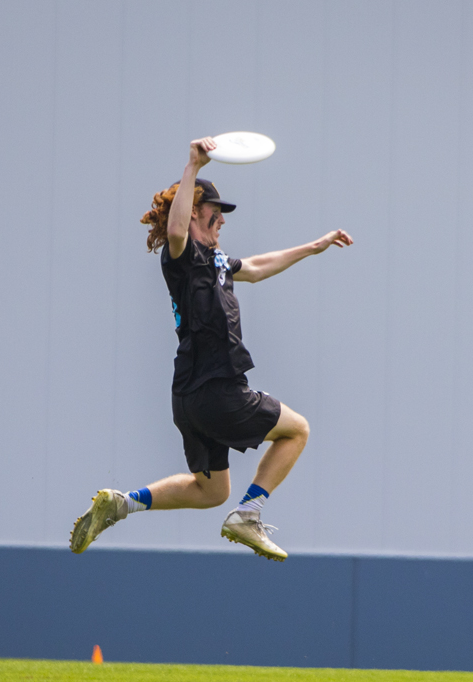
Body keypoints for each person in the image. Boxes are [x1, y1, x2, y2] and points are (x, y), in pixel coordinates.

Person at [69, 137, 353, 561]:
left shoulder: (217, 262)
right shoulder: (180, 256)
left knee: (210, 491)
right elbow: (177, 230)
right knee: (298, 430)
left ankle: (121, 503)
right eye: (214, 214)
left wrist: (313, 247)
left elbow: (256, 267)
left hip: (188, 398)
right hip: (218, 388)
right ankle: (250, 513)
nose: (221, 220)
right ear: (195, 214)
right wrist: (192, 167)